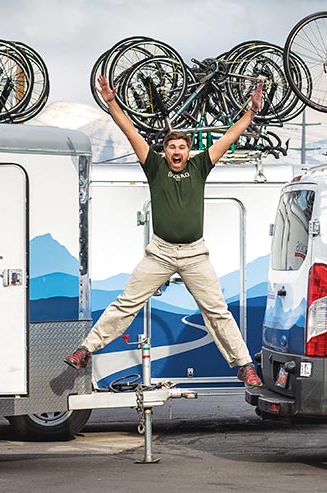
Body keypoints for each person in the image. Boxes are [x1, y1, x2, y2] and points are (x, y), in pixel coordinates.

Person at [64, 75, 265, 389]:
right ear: (165, 151)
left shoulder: (200, 166)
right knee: (127, 303)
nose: (177, 151)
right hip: (160, 253)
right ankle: (86, 349)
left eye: (182, 147)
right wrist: (112, 103)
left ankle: (244, 365)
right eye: (172, 146)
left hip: (194, 254)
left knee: (217, 310)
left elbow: (227, 138)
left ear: (188, 152)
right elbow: (130, 132)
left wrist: (250, 114)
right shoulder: (155, 167)